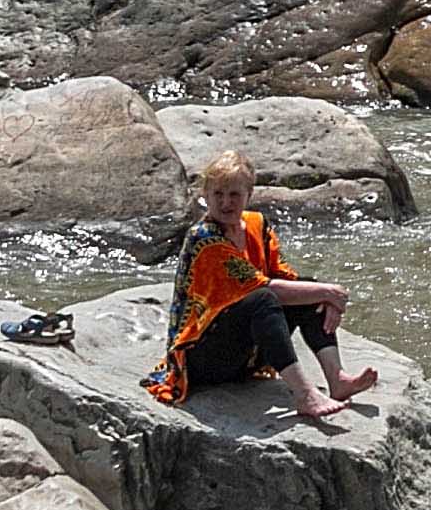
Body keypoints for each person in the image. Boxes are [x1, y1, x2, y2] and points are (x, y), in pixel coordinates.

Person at [148, 152, 381, 423]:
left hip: (243, 353)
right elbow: (262, 287)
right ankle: (305, 395)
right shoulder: (205, 239)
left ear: (249, 193)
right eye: (217, 194)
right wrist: (331, 294)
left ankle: (337, 379)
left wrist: (323, 296)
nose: (225, 202)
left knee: (308, 289)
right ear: (205, 195)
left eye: (234, 194)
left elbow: (284, 276)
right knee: (264, 298)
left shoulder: (257, 225)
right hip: (203, 358)